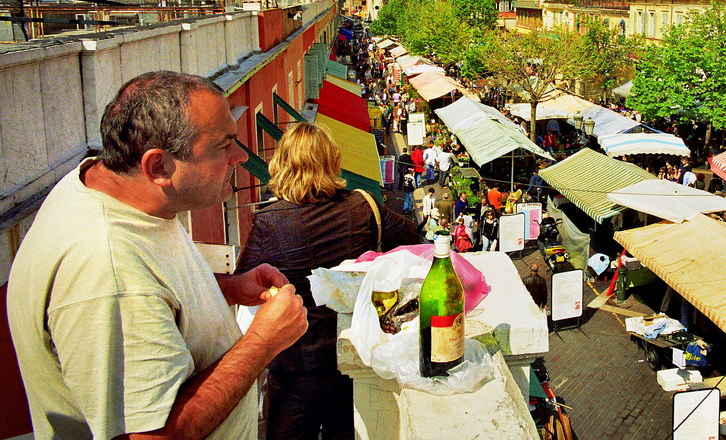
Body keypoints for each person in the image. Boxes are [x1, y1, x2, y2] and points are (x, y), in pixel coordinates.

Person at [7, 71, 309, 439]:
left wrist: (228, 288)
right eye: (222, 146)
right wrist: (262, 343)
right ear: (158, 167)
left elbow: (153, 290)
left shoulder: (113, 189)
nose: (240, 156)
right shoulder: (107, 271)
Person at [237, 122, 422, 439]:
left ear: (281, 164)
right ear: (332, 161)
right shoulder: (363, 207)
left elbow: (244, 286)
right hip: (354, 357)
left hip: (295, 365)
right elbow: (410, 237)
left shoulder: (269, 223)